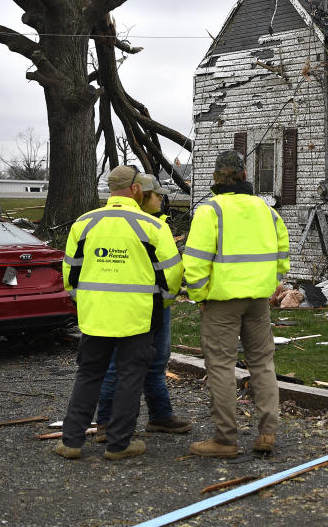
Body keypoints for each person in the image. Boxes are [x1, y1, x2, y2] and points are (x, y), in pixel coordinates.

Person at [57, 166, 183, 460]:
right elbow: (172, 275)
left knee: (88, 375)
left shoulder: (84, 224)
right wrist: (160, 302)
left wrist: (86, 301)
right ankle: (119, 444)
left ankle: (71, 442)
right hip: (137, 318)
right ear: (137, 189)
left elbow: (69, 274)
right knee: (130, 377)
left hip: (95, 316)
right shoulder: (152, 226)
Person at [183, 150, 289, 458]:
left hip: (222, 302)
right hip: (258, 300)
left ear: (216, 177)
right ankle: (268, 433)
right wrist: (271, 282)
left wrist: (200, 296)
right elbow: (283, 252)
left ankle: (225, 440)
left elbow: (196, 262)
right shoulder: (266, 210)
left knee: (221, 367)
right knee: (263, 365)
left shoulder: (210, 211)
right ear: (245, 174)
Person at [94, 173, 192, 443]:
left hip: (147, 304)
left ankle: (160, 415)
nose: (162, 199)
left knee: (155, 362)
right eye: (157, 194)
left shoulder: (152, 224)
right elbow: (171, 273)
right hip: (140, 306)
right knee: (121, 364)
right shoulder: (142, 226)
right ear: (141, 195)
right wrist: (167, 297)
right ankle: (107, 423)